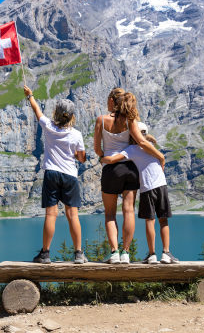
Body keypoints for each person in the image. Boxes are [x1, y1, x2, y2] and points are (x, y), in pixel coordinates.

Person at [104, 98, 179, 264]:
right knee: (163, 219)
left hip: (146, 188)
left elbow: (113, 159)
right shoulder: (153, 148)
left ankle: (152, 254)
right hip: (161, 186)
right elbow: (147, 142)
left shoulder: (131, 149)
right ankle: (166, 253)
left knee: (150, 221)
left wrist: (103, 158)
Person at [23, 85, 88, 264]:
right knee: (72, 214)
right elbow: (82, 158)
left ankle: (45, 254)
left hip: (51, 174)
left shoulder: (48, 127)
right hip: (69, 176)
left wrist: (30, 96)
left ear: (56, 114)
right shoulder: (76, 135)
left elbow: (37, 111)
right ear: (72, 116)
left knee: (51, 214)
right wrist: (75, 154)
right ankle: (78, 254)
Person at [93, 88, 138, 264]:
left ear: (112, 101)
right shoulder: (129, 120)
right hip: (130, 168)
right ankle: (126, 253)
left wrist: (104, 156)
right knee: (129, 211)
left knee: (110, 214)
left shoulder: (101, 120)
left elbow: (97, 148)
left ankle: (114, 253)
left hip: (111, 169)